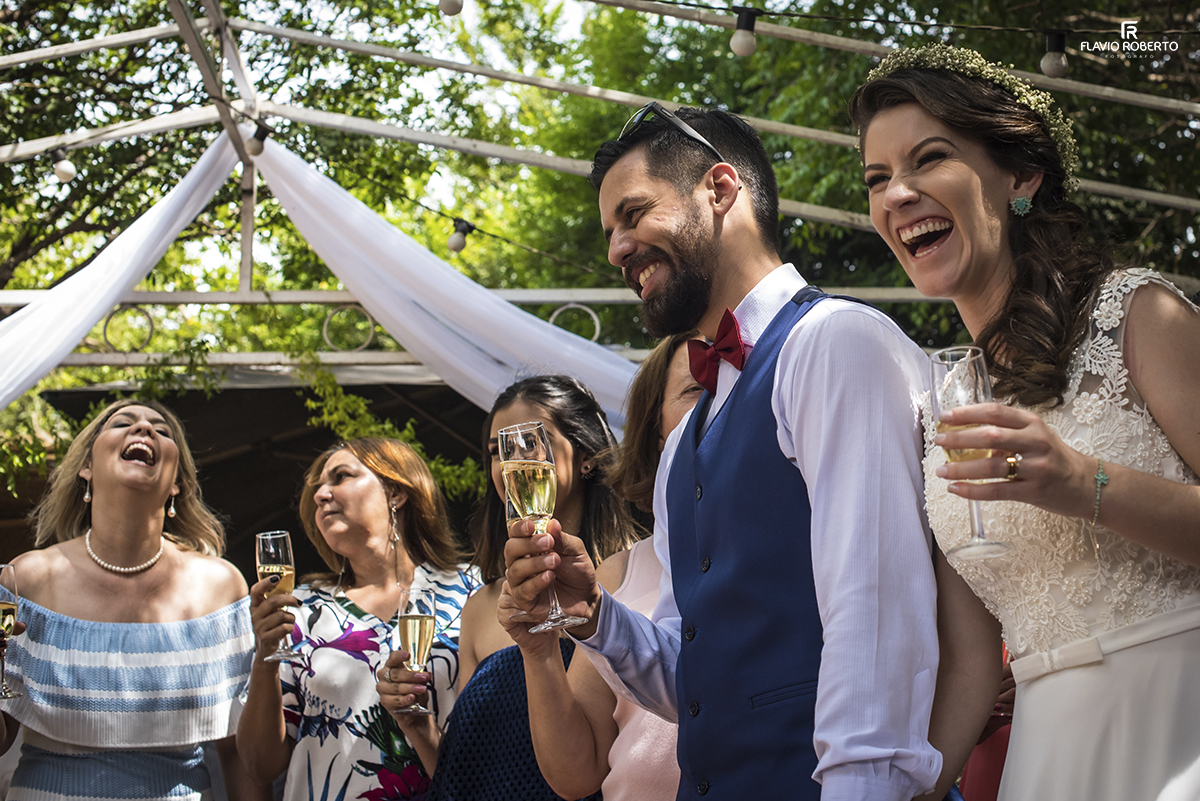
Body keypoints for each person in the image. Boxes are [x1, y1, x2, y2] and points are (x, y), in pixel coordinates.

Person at [505, 103, 942, 800]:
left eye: (633, 214)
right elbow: (699, 684)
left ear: (719, 188)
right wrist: (594, 613)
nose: (617, 250)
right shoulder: (684, 439)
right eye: (610, 231)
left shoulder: (834, 343)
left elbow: (877, 627)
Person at [850, 43, 1200, 801]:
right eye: (877, 179)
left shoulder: (1138, 314)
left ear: (1022, 175)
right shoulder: (942, 405)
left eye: (929, 158)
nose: (897, 194)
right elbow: (972, 664)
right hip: (1048, 762)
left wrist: (1083, 482)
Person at [0, 399, 265, 801]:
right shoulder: (27, 579)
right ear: (86, 468)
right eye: (123, 423)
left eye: (162, 430)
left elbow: (239, 755)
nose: (144, 429)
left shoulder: (221, 586)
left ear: (176, 483)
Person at [500, 333, 701, 800]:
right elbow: (577, 774)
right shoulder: (619, 573)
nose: (720, 401)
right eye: (695, 389)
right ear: (655, 431)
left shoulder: (795, 548)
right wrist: (539, 651)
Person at [423, 375, 639, 801]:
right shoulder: (480, 607)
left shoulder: (635, 577)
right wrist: (416, 727)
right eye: (498, 450)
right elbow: (465, 767)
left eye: (531, 442)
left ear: (586, 455)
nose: (512, 462)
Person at [237, 437, 480, 800]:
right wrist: (264, 658)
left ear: (395, 492)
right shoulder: (300, 610)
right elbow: (260, 765)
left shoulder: (472, 592)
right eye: (318, 488)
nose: (321, 495)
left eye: (341, 477)